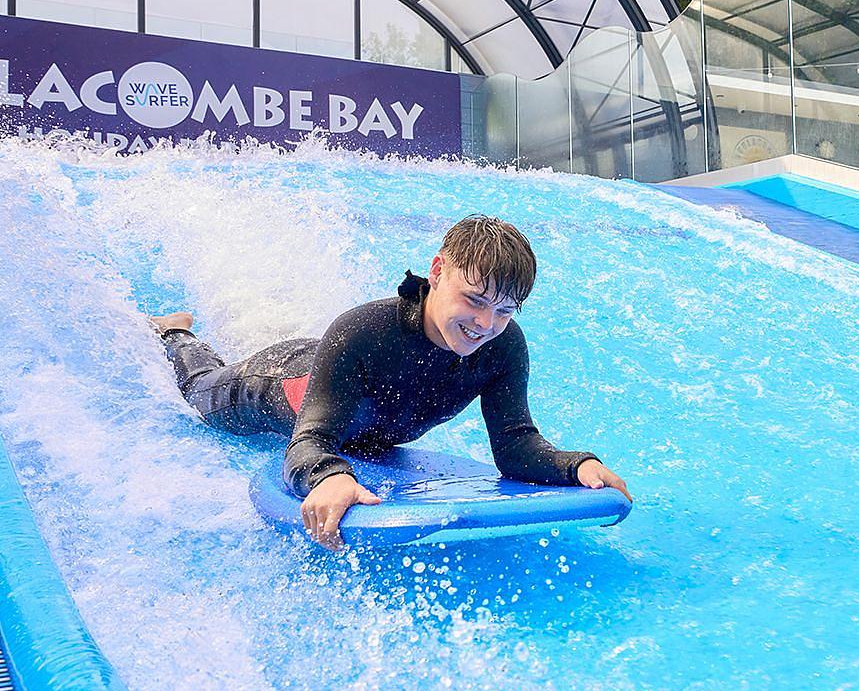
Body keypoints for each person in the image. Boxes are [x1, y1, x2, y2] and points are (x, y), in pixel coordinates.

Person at [152, 214, 630, 549]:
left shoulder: (502, 347)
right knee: (199, 392)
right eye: (475, 300)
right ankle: (176, 331)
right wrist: (329, 475)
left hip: (347, 396)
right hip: (278, 383)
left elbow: (514, 445)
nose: (485, 324)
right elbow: (311, 441)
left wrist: (576, 466)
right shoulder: (363, 330)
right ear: (438, 271)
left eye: (504, 310)